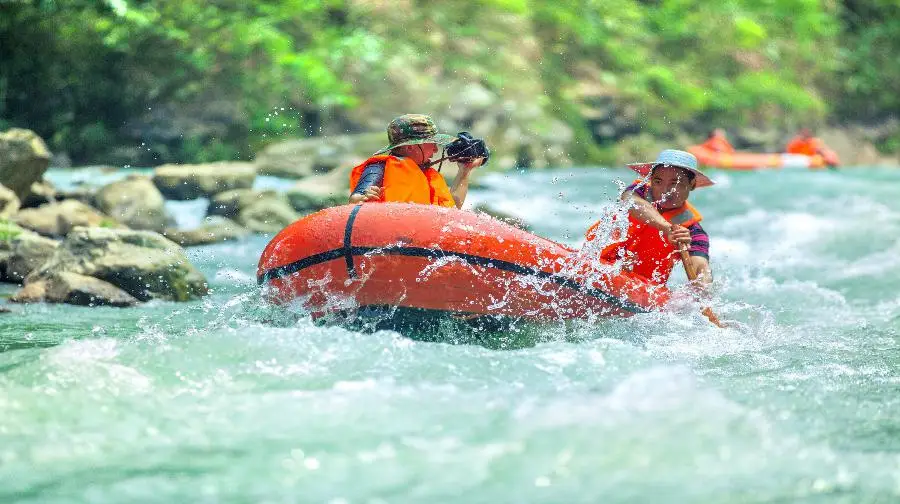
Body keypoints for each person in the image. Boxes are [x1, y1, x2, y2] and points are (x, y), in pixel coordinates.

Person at [584, 149, 715, 294]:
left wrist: (703, 290)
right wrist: (666, 228)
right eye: (658, 181)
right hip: (596, 265)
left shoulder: (693, 232)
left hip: (641, 290)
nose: (665, 190)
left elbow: (701, 268)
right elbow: (630, 202)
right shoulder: (637, 192)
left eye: (675, 183)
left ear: (692, 184)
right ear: (651, 180)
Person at [348, 114, 485, 208]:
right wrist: (364, 197)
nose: (435, 150)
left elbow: (451, 211)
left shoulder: (428, 175)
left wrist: (464, 171)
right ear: (410, 146)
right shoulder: (379, 166)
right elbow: (356, 199)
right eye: (431, 143)